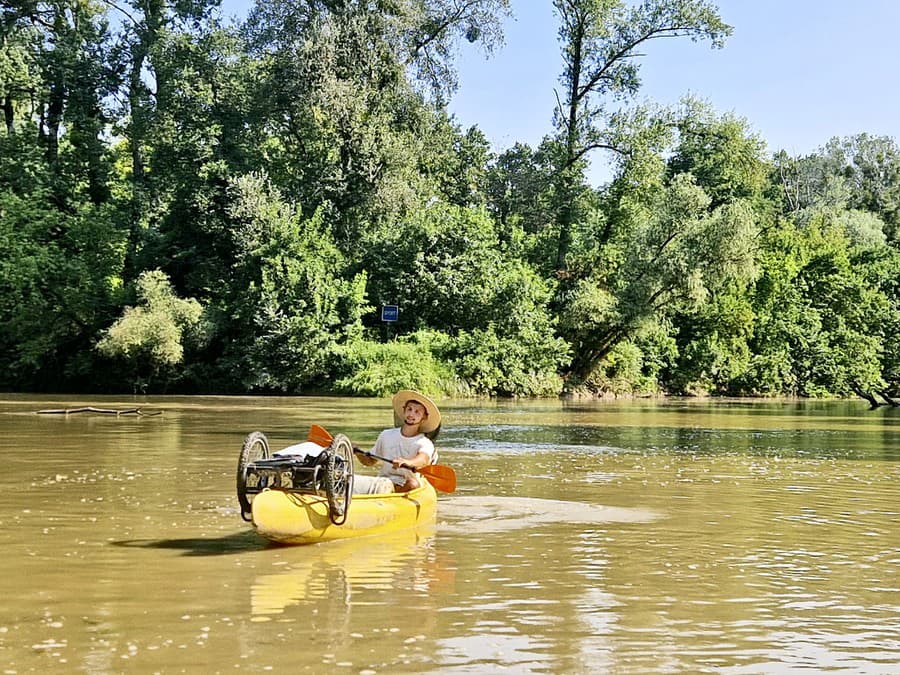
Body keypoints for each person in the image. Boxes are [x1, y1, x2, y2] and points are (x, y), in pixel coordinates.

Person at [352, 389, 441, 495]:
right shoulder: (386, 435)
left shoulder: (425, 443)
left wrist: (408, 462)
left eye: (417, 412)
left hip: (407, 485)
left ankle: (396, 496)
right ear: (404, 410)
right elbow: (370, 461)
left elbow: (423, 459)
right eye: (409, 409)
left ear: (424, 417)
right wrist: (357, 451)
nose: (411, 414)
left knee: (413, 484)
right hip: (384, 483)